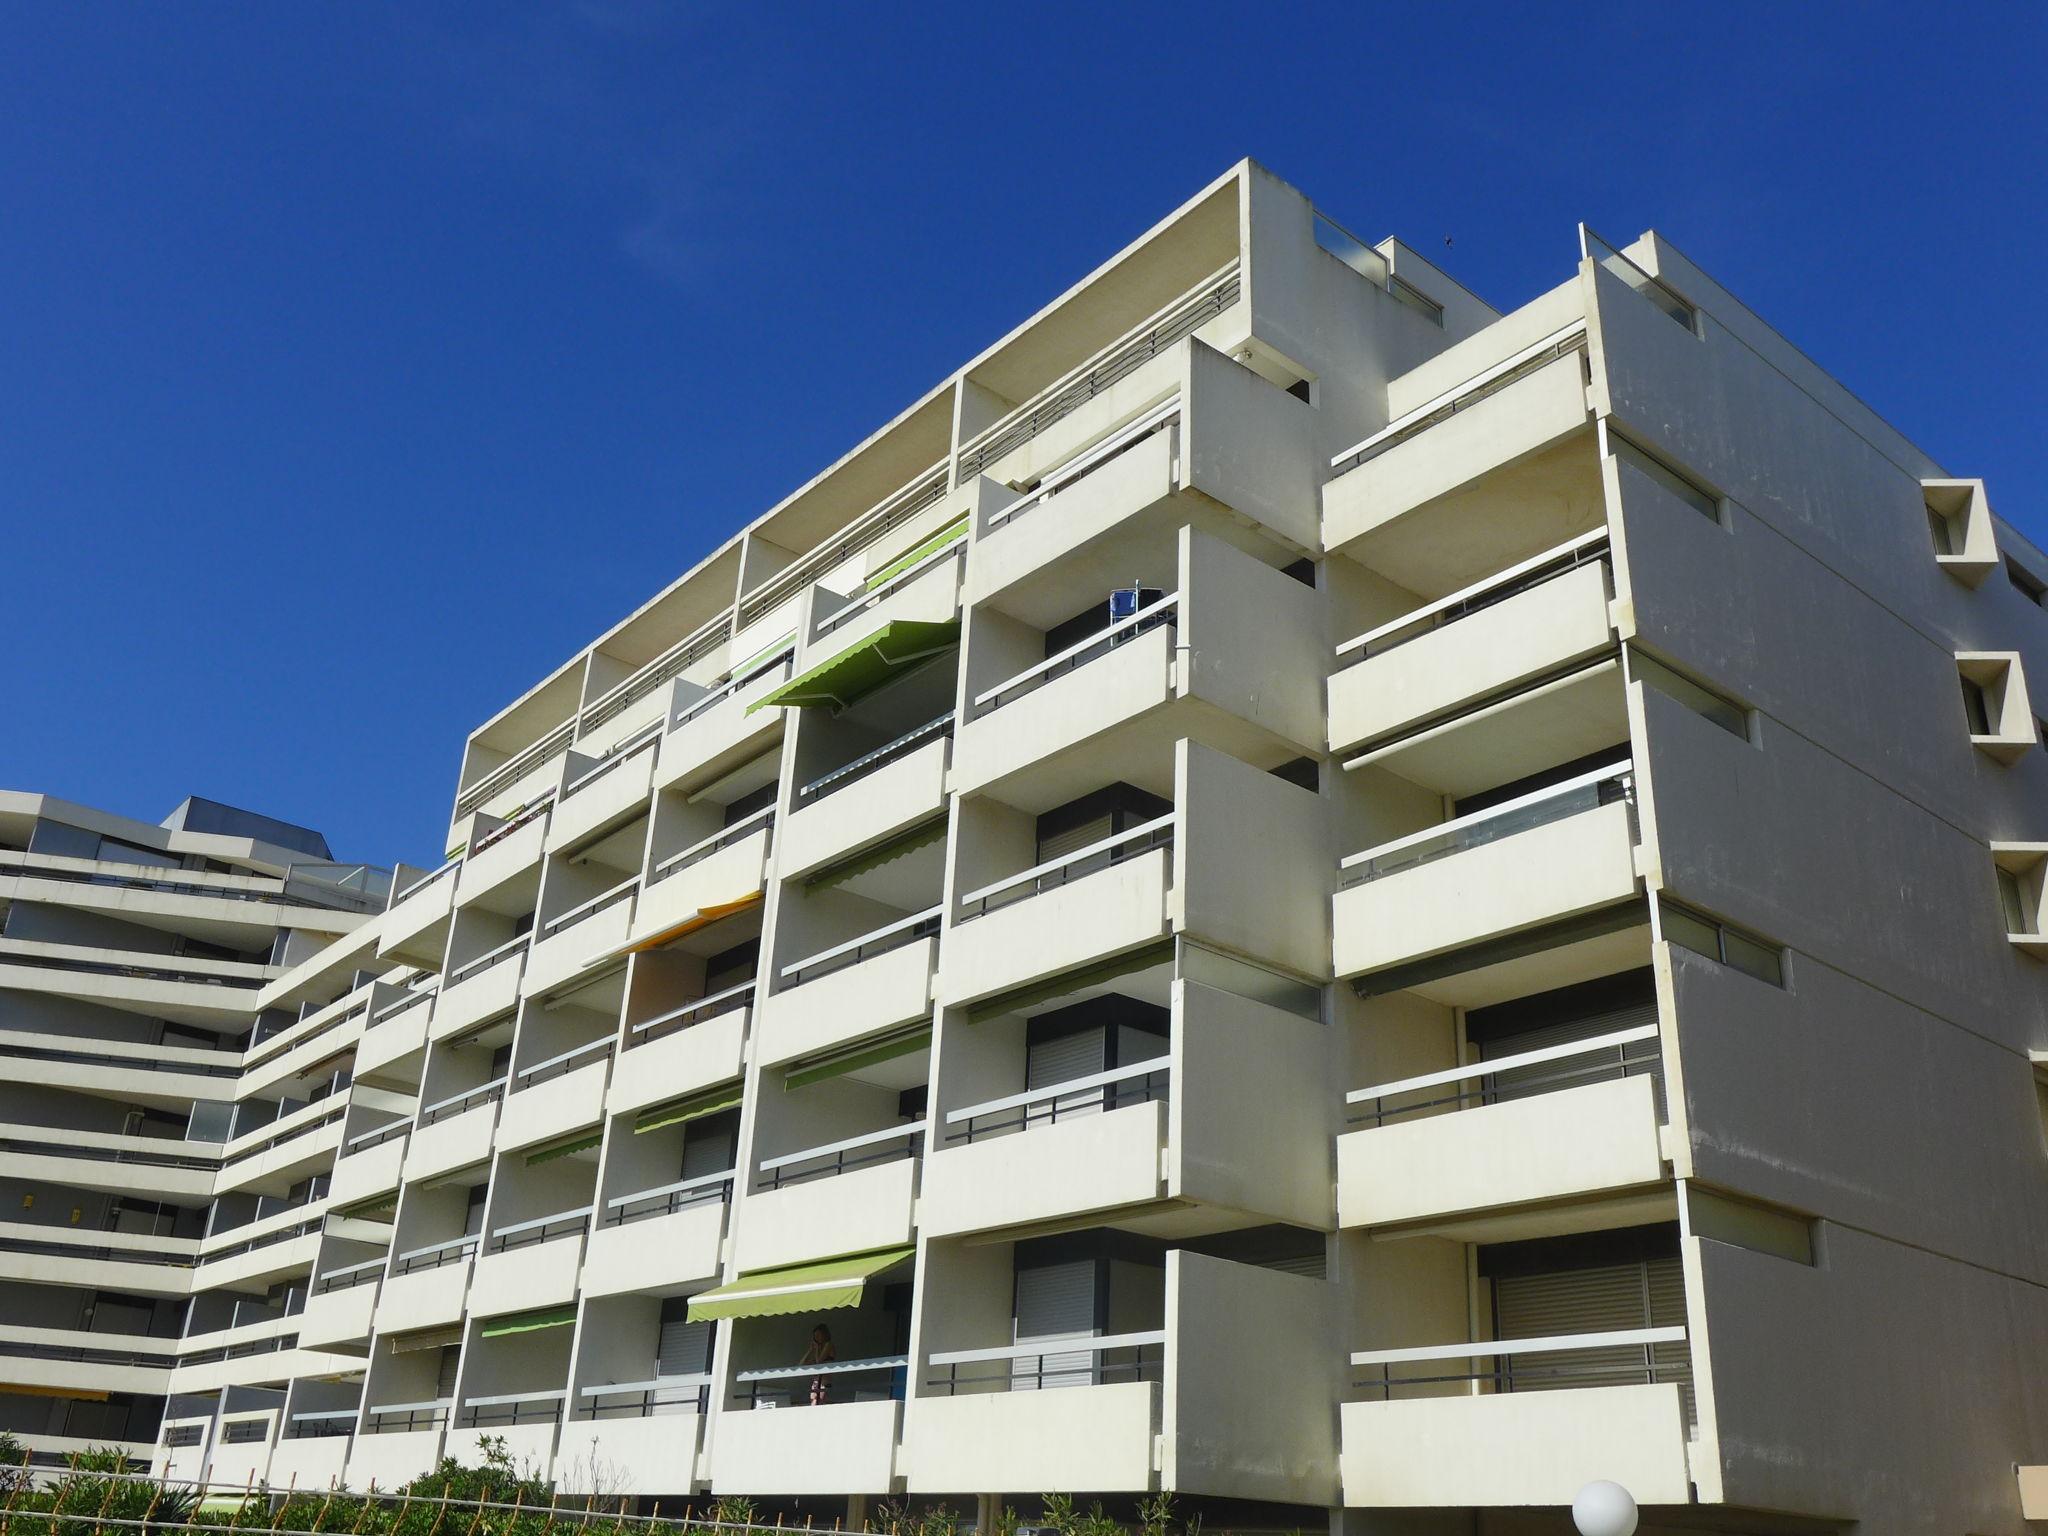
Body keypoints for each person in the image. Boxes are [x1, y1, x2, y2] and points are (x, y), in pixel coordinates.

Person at [798, 1322, 835, 1406]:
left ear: (824, 1335)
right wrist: (810, 1350)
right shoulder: (817, 1350)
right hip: (816, 1381)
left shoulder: (829, 1345)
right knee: (813, 1403)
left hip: (824, 1381)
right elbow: (801, 1364)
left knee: (816, 1403)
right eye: (815, 1336)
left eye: (819, 1335)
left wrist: (817, 1348)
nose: (817, 1338)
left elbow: (819, 1361)